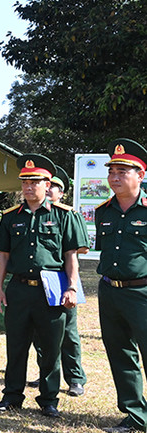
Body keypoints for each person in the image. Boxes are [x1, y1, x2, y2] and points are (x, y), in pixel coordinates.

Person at [0, 154, 85, 418]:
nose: (29, 187)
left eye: (35, 182)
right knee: (16, 346)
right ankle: (12, 396)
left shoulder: (64, 216)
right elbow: (3, 256)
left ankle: (49, 399)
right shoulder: (11, 217)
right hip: (19, 289)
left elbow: (70, 256)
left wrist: (72, 288)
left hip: (51, 290)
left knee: (51, 348)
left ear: (47, 184)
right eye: (25, 182)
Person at [95, 139, 147, 433]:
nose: (114, 177)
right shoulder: (104, 211)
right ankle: (135, 415)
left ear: (140, 175)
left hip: (142, 293)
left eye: (122, 172)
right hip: (110, 291)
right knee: (120, 353)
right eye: (111, 172)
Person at [27, 165, 88, 397]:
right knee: (40, 332)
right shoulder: (32, 214)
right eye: (48, 185)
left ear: (61, 193)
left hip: (62, 278)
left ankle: (75, 378)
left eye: (54, 187)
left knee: (68, 331)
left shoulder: (69, 215)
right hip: (38, 282)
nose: (49, 190)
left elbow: (79, 249)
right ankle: (46, 372)